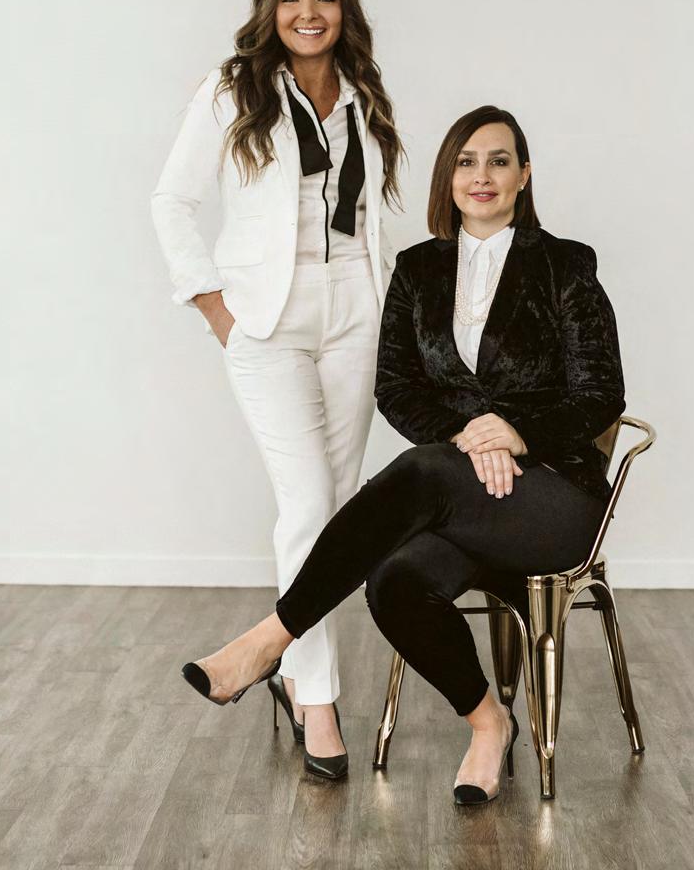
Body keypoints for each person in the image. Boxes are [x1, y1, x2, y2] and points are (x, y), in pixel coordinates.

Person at [181, 105, 624, 805]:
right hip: (466, 494)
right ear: (448, 177)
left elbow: (600, 393)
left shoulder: (565, 265)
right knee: (393, 582)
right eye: (466, 162)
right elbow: (397, 388)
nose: (482, 175)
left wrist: (516, 434)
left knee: (422, 471)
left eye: (499, 160)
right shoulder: (417, 271)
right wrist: (472, 435)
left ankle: (270, 640)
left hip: (553, 499)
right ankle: (489, 724)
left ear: (524, 175)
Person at [152, 0, 403, 780]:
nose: (308, 13)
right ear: (271, 8)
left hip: (356, 311)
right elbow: (172, 200)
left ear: (344, 8)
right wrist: (213, 308)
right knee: (306, 505)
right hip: (267, 317)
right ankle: (316, 698)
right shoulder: (233, 92)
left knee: (335, 513)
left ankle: (291, 668)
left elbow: (369, 215)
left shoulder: (363, 92)